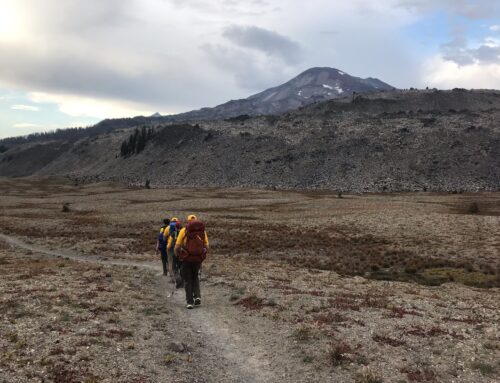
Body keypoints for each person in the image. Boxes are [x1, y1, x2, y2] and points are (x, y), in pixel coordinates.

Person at [175, 215, 209, 309]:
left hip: (186, 259)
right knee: (195, 277)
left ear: (188, 221)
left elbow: (177, 246)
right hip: (198, 259)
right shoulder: (202, 232)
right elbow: (207, 246)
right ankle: (197, 296)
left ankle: (189, 302)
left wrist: (178, 255)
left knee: (187, 280)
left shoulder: (183, 231)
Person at [166, 217, 183, 288]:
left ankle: (177, 279)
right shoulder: (184, 232)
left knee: (174, 267)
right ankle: (183, 281)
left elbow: (169, 245)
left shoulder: (173, 234)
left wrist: (168, 249)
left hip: (175, 252)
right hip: (183, 253)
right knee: (181, 266)